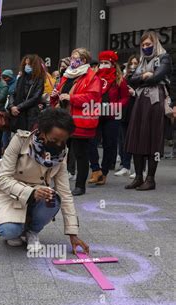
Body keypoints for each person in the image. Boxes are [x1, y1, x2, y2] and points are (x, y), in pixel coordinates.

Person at [0, 108, 89, 253]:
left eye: (63, 140)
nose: (59, 144)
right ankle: (17, 227)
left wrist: (73, 233)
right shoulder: (20, 141)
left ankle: (32, 231)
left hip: (39, 195)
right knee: (10, 232)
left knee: (54, 198)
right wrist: (30, 192)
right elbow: (3, 179)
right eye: (54, 140)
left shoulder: (62, 153)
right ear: (42, 132)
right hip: (10, 193)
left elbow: (65, 193)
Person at [124, 31, 172, 191]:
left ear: (155, 43)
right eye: (143, 45)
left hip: (155, 100)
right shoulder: (141, 61)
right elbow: (130, 80)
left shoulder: (164, 57)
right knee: (136, 136)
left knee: (152, 137)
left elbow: (156, 78)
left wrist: (144, 78)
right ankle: (138, 177)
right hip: (140, 101)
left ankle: (150, 179)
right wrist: (145, 75)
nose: (145, 47)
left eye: (148, 44)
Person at [51, 48, 102, 196]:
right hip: (64, 120)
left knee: (80, 154)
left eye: (76, 58)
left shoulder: (92, 77)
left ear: (84, 61)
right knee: (60, 153)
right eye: (72, 58)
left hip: (80, 122)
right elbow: (60, 94)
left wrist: (71, 98)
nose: (72, 61)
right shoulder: (67, 76)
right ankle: (60, 184)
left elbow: (92, 98)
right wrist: (56, 95)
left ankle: (80, 186)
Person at [88, 51, 129, 186]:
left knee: (109, 145)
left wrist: (115, 106)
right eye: (102, 63)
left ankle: (104, 173)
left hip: (112, 115)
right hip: (96, 113)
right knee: (91, 142)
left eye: (106, 63)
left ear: (112, 64)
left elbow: (125, 98)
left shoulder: (120, 80)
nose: (103, 65)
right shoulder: (95, 77)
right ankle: (95, 169)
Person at [115, 54, 139, 177]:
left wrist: (134, 93)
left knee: (136, 141)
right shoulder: (125, 77)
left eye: (136, 63)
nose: (133, 66)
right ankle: (125, 166)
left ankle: (140, 169)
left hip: (136, 111)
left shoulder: (141, 77)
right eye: (131, 63)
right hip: (124, 111)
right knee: (124, 141)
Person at [9, 54, 45, 132]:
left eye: (29, 64)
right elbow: (13, 93)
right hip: (18, 114)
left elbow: (35, 97)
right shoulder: (21, 79)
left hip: (31, 115)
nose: (27, 66)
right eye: (26, 64)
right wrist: (12, 106)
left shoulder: (39, 80)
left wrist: (18, 107)